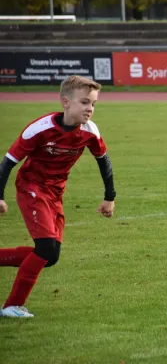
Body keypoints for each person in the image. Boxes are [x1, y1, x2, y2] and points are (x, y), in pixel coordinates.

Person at [0, 75, 116, 318]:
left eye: (93, 104)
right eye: (85, 102)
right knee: (44, 248)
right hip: (31, 187)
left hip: (55, 193)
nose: (90, 109)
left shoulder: (89, 132)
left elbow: (103, 161)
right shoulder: (40, 128)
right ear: (66, 102)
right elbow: (8, 162)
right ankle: (12, 306)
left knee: (50, 256)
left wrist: (109, 197)